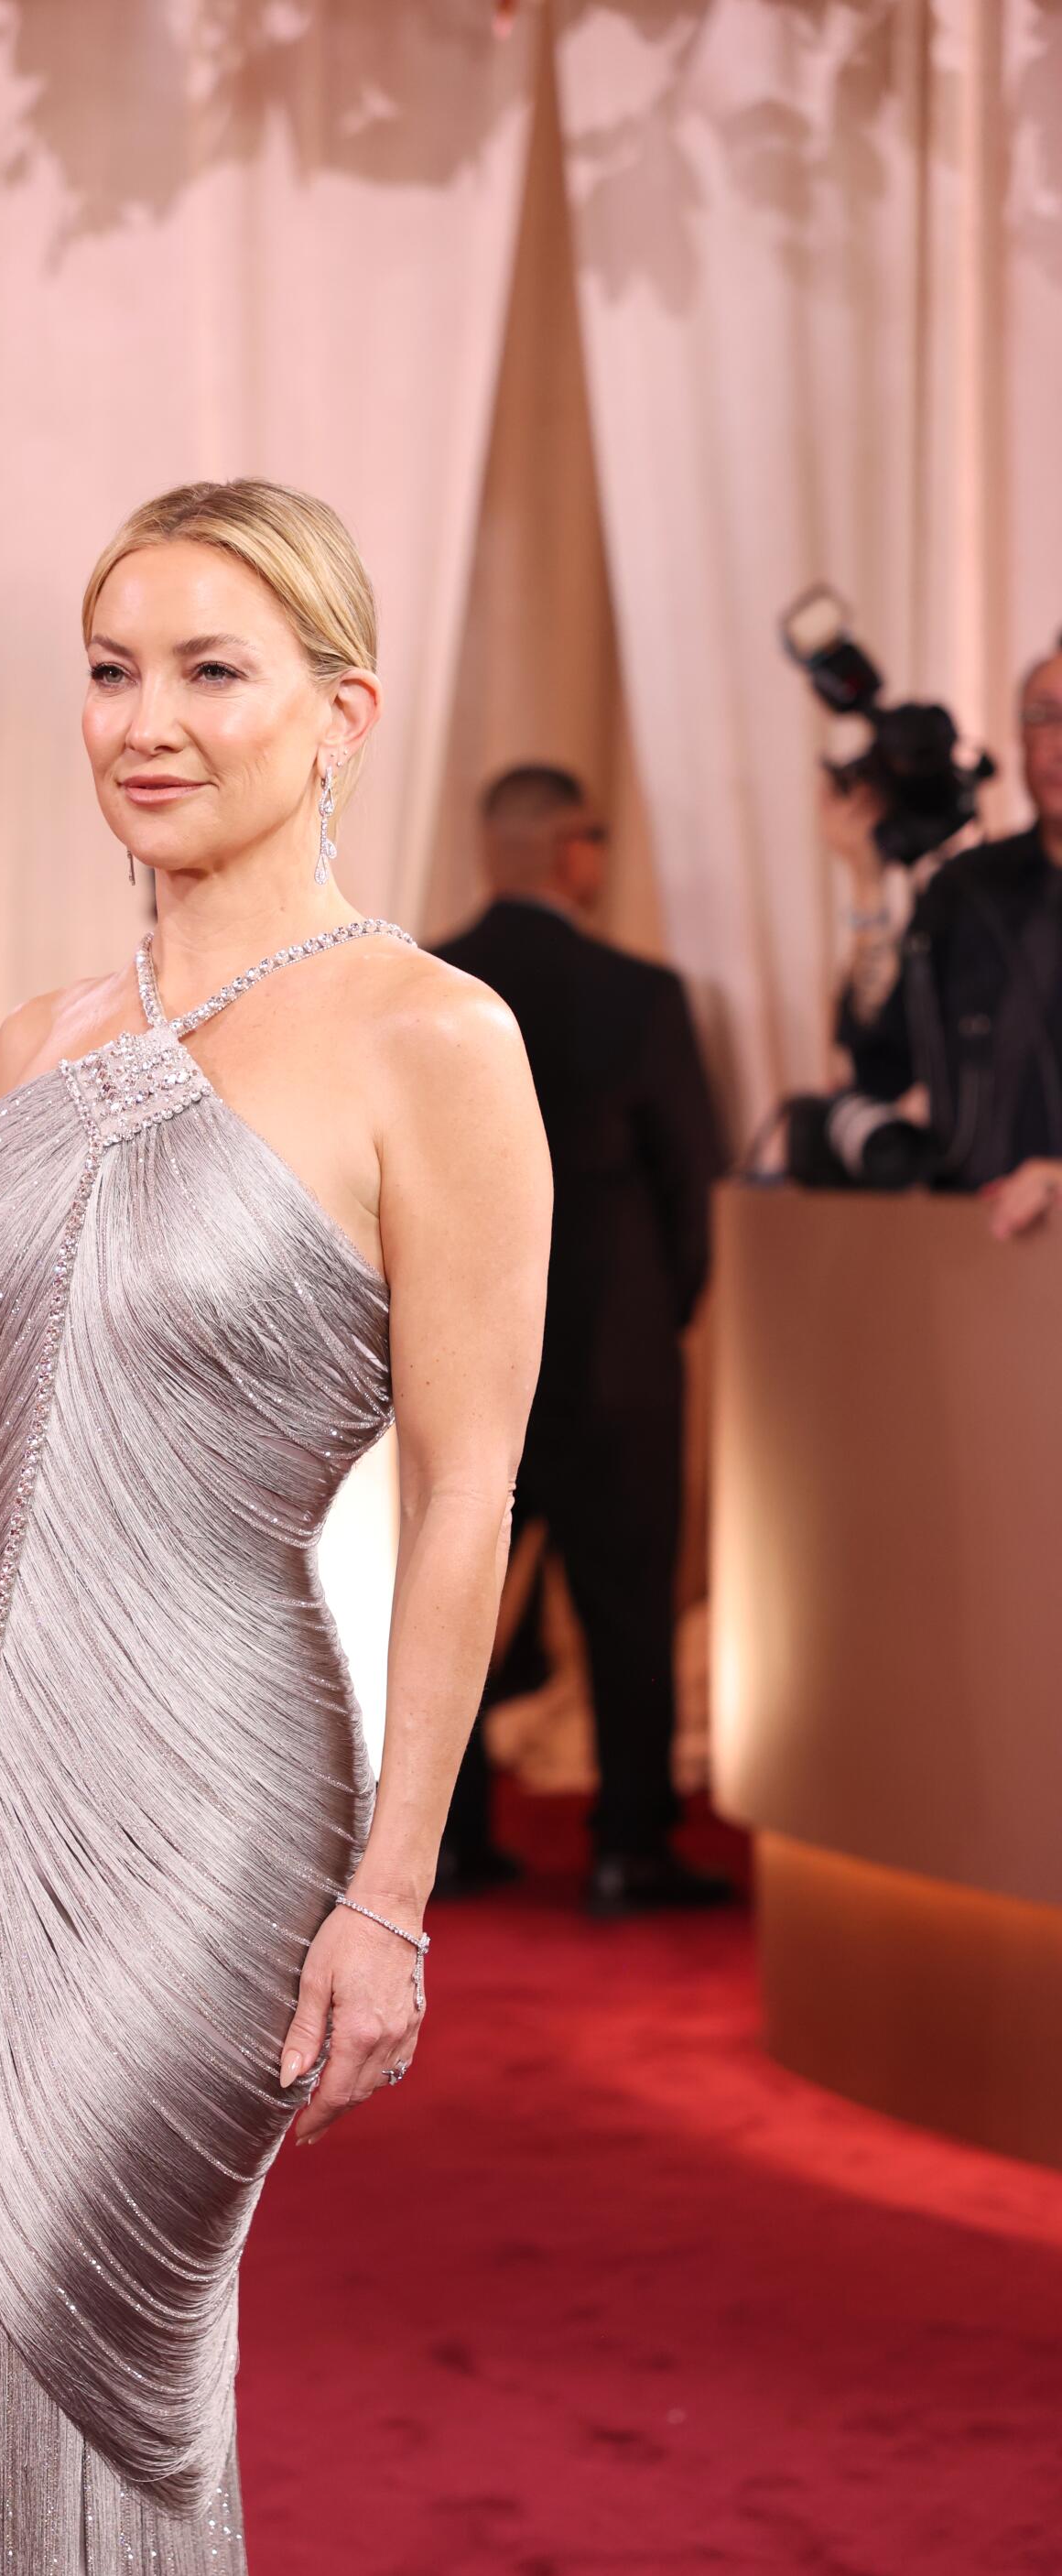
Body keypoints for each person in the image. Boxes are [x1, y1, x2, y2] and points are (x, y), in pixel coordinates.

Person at [0, 482, 549, 2576]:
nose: (144, 723)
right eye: (111, 667)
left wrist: (394, 1895)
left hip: (210, 1801)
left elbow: (463, 1499)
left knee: (4, 2368)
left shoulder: (431, 1040)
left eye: (209, 670)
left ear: (340, 714)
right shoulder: (43, 1031)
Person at [435, 765, 729, 1917]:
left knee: (442, 1607)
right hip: (612, 1362)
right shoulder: (640, 994)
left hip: (454, 1367)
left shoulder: (418, 985)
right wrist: (662, 1317)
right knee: (627, 1606)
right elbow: (691, 1195)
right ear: (570, 848)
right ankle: (628, 1845)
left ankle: (449, 1841)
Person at [830, 643, 1062, 1237]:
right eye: (1045, 715)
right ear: (1018, 736)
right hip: (974, 1250)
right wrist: (866, 885)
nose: (1060, 741)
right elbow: (874, 1066)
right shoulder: (965, 889)